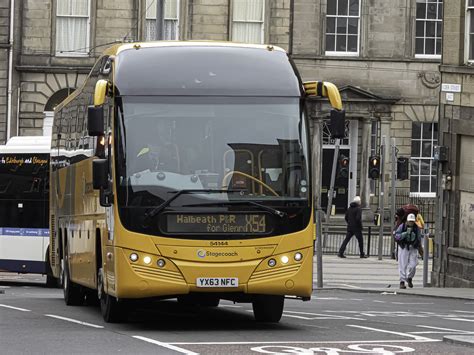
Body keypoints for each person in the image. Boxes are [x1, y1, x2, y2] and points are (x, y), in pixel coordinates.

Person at [394, 213, 422, 289]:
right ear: (407, 221)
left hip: (413, 247)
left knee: (413, 264)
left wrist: (418, 246)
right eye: (410, 221)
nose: (411, 223)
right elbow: (396, 236)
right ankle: (402, 281)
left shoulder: (416, 228)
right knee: (402, 264)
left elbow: (419, 239)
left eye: (412, 221)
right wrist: (404, 234)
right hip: (403, 247)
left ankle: (409, 277)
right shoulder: (402, 226)